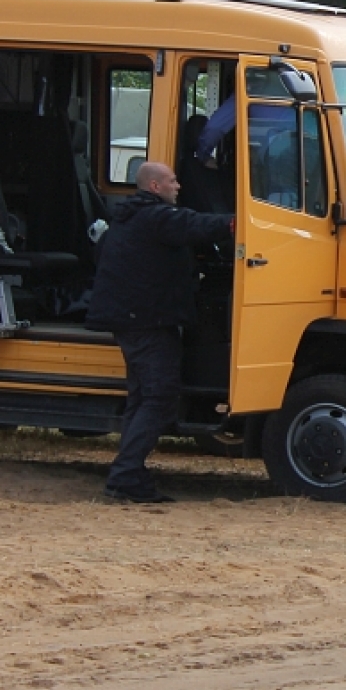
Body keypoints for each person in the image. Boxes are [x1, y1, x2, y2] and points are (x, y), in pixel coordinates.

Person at [85, 161, 234, 503]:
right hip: (148, 323)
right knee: (159, 397)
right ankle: (125, 476)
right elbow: (192, 223)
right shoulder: (155, 218)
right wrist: (233, 223)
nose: (178, 186)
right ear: (155, 187)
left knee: (141, 398)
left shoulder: (127, 219)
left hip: (131, 321)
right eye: (172, 181)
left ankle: (128, 474)